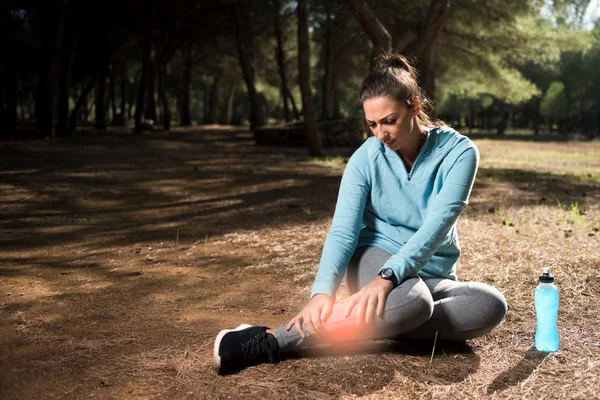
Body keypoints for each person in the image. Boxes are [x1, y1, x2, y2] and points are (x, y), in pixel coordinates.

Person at [213, 52, 507, 375]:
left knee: (490, 306)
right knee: (417, 304)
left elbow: (438, 226)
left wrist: (389, 279)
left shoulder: (460, 153)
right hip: (372, 259)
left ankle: (391, 320)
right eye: (372, 124)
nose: (380, 134)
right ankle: (275, 340)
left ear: (414, 107)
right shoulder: (365, 159)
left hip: (430, 275)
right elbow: (343, 232)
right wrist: (322, 293)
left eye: (389, 120)